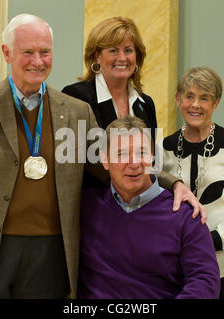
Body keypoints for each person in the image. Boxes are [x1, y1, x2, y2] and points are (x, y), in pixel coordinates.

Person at [0, 14, 106, 299]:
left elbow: (112, 165)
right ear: (7, 53)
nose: (37, 61)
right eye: (28, 52)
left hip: (52, 256)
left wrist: (171, 184)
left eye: (45, 52)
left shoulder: (77, 113)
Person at [62, 16, 205, 221]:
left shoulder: (145, 104)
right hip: (92, 213)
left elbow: (152, 163)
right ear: (97, 56)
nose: (122, 57)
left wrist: (175, 184)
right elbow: (70, 161)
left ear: (137, 57)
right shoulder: (76, 97)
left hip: (138, 210)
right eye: (113, 50)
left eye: (128, 50)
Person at [79, 116, 220, 299]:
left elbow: (205, 280)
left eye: (142, 153)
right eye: (122, 154)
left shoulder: (185, 215)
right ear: (105, 160)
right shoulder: (87, 206)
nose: (134, 163)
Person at [162, 66, 224, 299]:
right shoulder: (163, 148)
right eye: (189, 96)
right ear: (178, 99)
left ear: (216, 103)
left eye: (204, 98)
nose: (195, 105)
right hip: (179, 263)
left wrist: (212, 240)